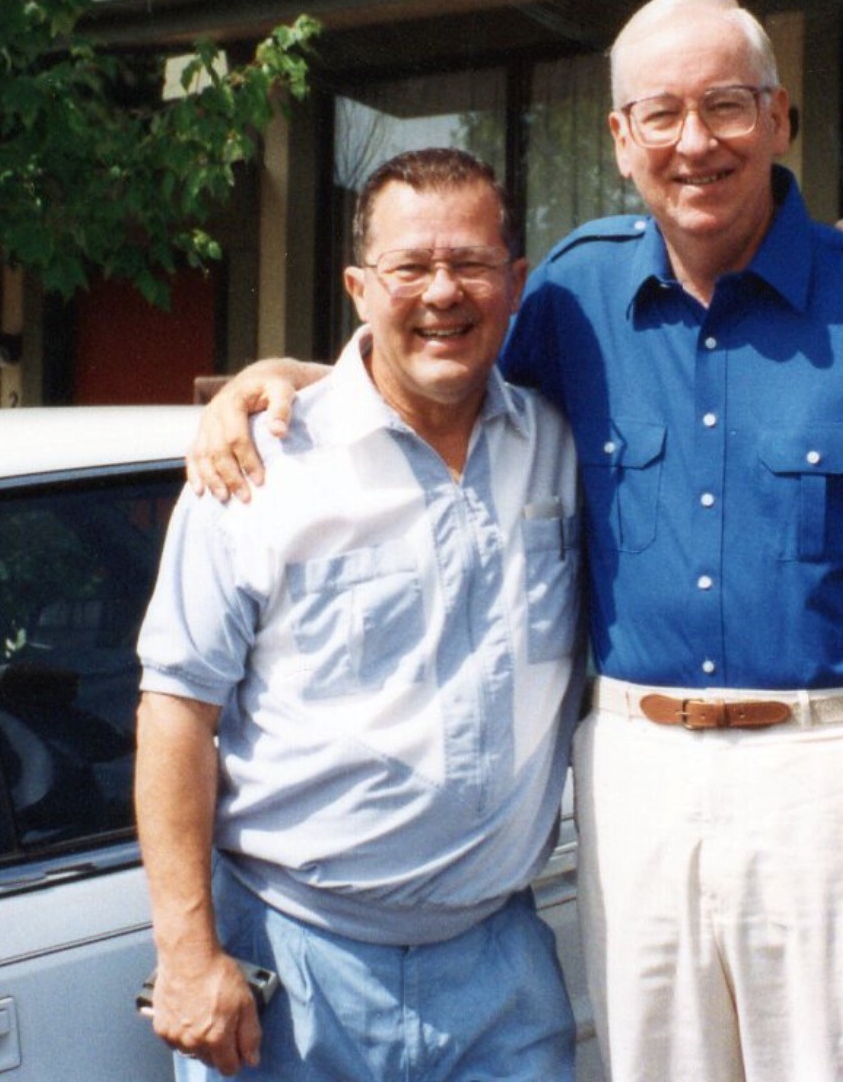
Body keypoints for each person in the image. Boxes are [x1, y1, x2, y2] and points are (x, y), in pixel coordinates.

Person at [190, 0, 843, 1081]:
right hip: (640, 783)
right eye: (661, 113)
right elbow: (437, 385)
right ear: (618, 138)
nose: (695, 142)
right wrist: (287, 377)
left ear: (779, 117)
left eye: (726, 105)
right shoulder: (572, 293)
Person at [135, 148, 583, 1081]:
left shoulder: (560, 444)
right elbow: (175, 711)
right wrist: (186, 955)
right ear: (358, 288)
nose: (442, 292)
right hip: (294, 968)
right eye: (409, 266)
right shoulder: (260, 468)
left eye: (470, 263)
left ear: (515, 282)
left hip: (501, 972)